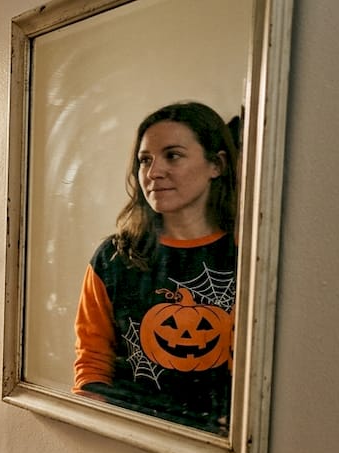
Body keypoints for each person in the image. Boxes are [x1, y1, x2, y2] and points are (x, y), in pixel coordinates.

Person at [73, 101, 240, 434]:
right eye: (145, 160)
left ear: (216, 165)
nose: (153, 172)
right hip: (127, 438)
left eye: (173, 156)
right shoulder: (113, 258)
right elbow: (91, 365)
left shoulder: (247, 257)